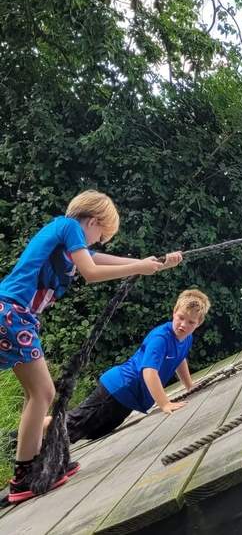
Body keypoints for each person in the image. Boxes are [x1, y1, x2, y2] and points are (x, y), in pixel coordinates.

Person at [0, 190, 182, 503]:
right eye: (101, 234)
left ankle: (29, 471)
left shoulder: (68, 239)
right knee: (43, 394)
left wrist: (152, 264)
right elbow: (92, 271)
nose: (98, 242)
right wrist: (138, 267)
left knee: (39, 394)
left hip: (13, 315)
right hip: (12, 313)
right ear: (95, 221)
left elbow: (102, 260)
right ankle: (25, 476)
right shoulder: (68, 227)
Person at [40, 288, 211, 445]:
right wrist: (164, 403)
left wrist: (189, 386)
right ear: (174, 312)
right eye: (181, 318)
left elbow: (179, 359)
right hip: (118, 389)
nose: (183, 325)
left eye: (190, 322)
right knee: (73, 424)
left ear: (199, 323)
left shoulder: (186, 339)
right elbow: (149, 372)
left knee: (93, 432)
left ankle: (35, 440)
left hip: (128, 399)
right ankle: (23, 437)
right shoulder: (161, 338)